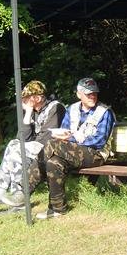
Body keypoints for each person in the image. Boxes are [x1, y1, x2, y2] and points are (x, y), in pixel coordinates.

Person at [25, 77, 116, 219]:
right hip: (73, 152)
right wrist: (63, 136)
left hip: (96, 154)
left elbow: (99, 141)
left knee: (52, 144)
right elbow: (64, 130)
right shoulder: (72, 109)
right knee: (53, 162)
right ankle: (57, 209)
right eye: (88, 94)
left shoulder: (104, 112)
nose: (92, 96)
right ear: (79, 94)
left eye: (94, 93)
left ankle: (23, 190)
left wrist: (71, 139)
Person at [0, 80, 65, 207]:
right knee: (13, 144)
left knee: (17, 151)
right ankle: (3, 190)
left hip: (53, 148)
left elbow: (47, 138)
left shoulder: (55, 108)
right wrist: (27, 113)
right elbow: (22, 138)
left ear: (38, 98)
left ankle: (14, 194)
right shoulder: (33, 111)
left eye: (27, 97)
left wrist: (27, 145)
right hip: (37, 146)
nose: (23, 100)